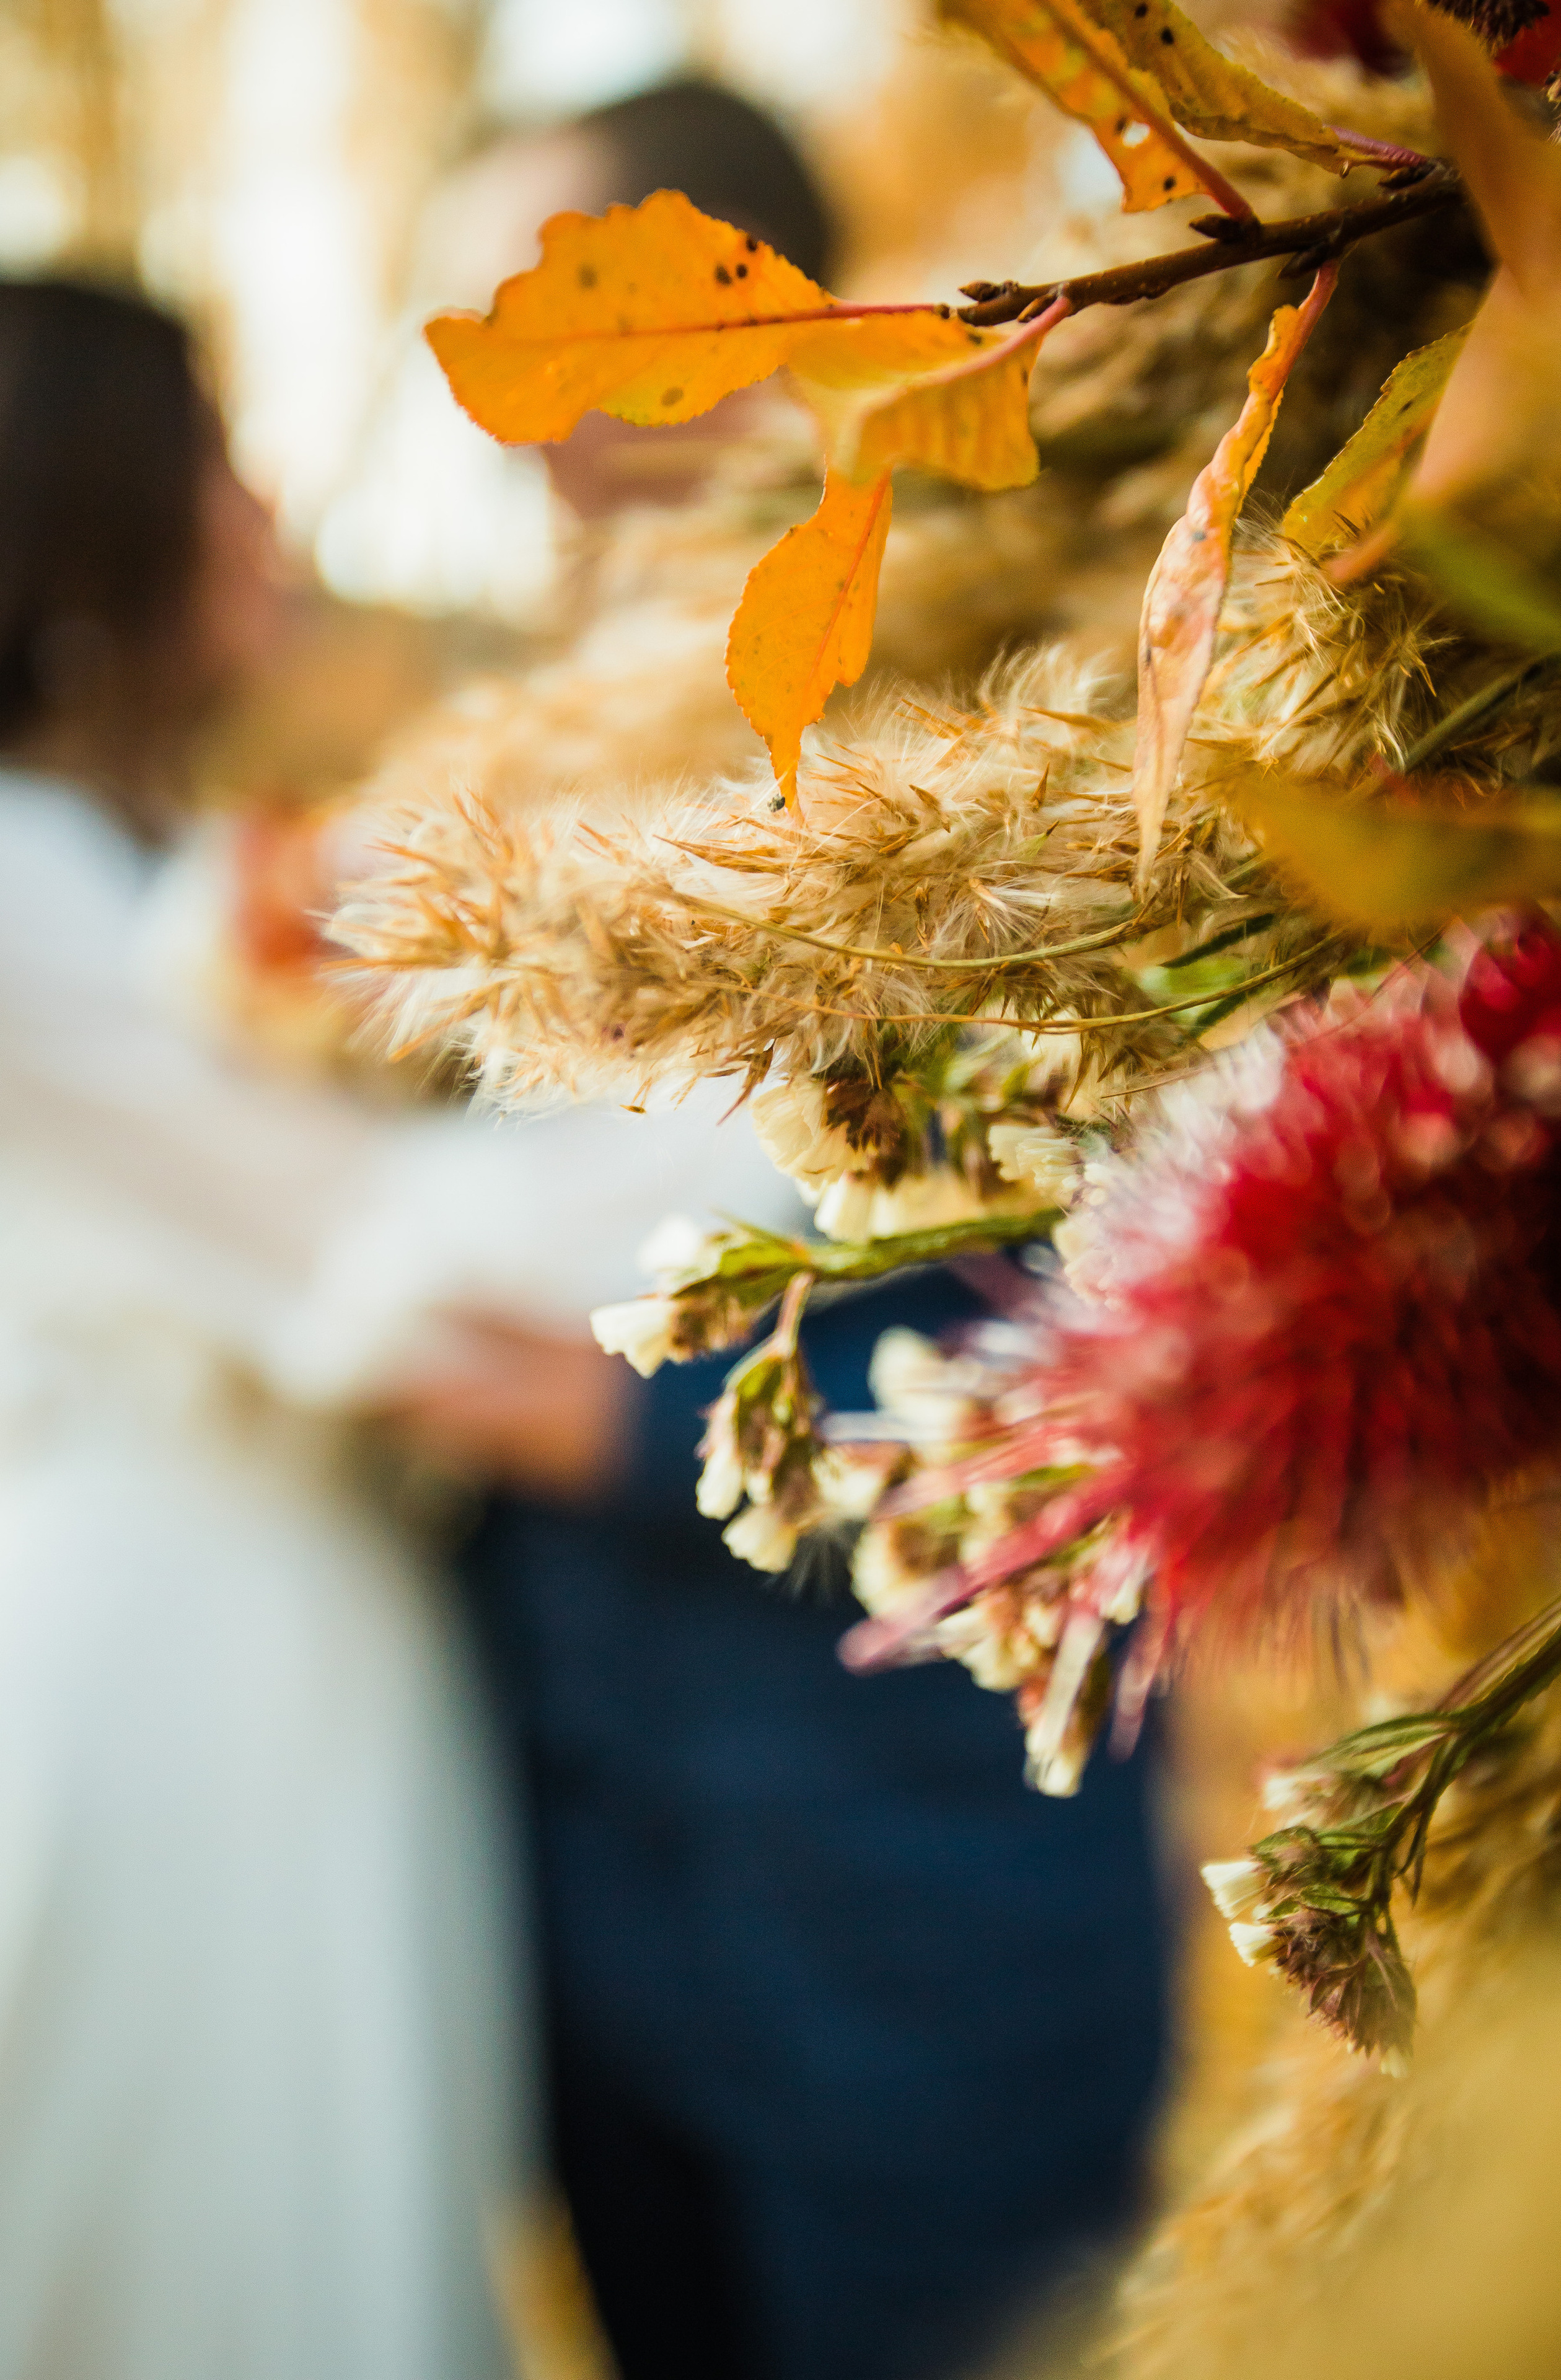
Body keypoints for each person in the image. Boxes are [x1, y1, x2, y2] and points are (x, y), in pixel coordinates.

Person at [384, 83, 1174, 2380]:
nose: (515, 408)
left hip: (918, 1917)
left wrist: (613, 1426)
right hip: (592, 1898)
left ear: (749, 311)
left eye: (562, 317)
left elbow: (1108, 1318)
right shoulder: (502, 774)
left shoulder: (1020, 718)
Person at [0, 273, 729, 2380]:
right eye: (215, 456)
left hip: (313, 1643)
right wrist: (777, 1098)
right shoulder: (19, 898)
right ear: (92, 505)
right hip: (163, 1690)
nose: (259, 510)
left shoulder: (152, 863)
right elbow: (378, 1247)